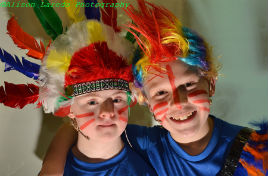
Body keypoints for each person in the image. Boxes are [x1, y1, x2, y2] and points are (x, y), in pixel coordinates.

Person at [39, 0, 268, 175]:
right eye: (160, 93)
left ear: (211, 84)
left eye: (188, 85)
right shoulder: (140, 142)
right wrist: (51, 167)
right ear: (144, 100)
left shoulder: (257, 151)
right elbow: (77, 125)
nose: (178, 102)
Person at [0, 1, 157, 176]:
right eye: (91, 101)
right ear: (68, 108)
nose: (108, 111)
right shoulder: (58, 167)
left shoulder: (153, 148)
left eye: (117, 99)